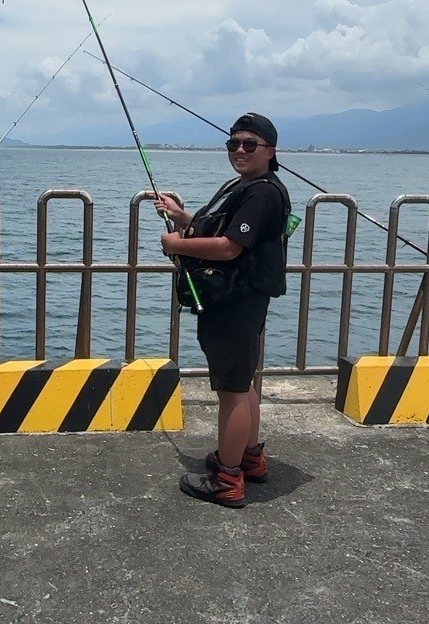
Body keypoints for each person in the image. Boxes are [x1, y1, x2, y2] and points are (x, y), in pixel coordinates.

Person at [154, 112, 291, 508]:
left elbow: (230, 247)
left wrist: (175, 244)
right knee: (242, 380)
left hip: (236, 300)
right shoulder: (247, 186)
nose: (241, 150)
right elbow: (223, 227)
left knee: (231, 390)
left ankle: (227, 479)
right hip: (240, 299)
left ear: (271, 150)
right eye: (234, 144)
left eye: (251, 144)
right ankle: (250, 457)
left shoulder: (263, 192)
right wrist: (182, 217)